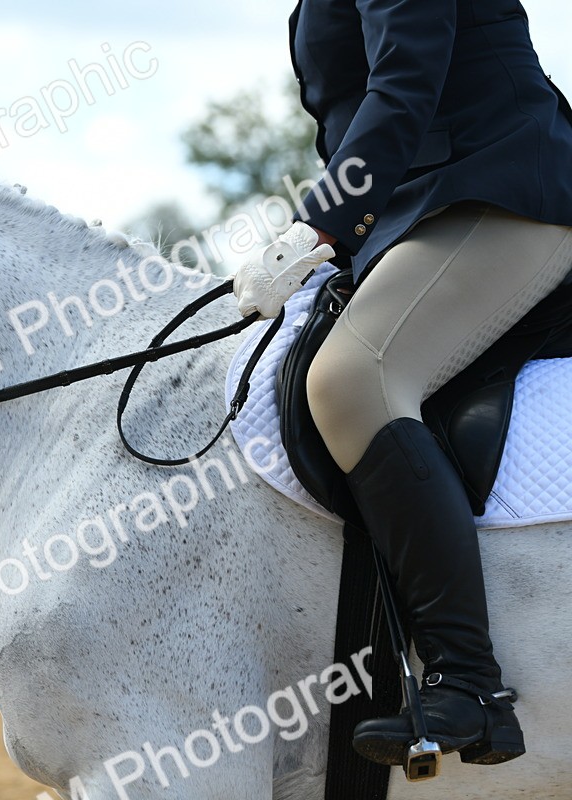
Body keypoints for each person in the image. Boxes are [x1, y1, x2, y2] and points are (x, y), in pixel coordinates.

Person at [233, 0, 572, 768]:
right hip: (419, 210)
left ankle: (470, 684)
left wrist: (319, 227)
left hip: (500, 186)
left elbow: (406, 78)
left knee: (355, 378)